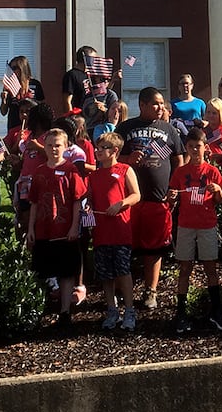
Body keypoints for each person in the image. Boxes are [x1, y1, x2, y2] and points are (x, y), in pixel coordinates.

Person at [115, 86, 184, 311]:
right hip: (130, 200)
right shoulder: (125, 128)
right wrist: (127, 157)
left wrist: (174, 187)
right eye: (155, 103)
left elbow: (179, 160)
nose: (160, 107)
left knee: (154, 249)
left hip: (158, 199)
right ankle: (121, 290)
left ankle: (150, 290)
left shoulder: (169, 129)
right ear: (142, 105)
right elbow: (110, 158)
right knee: (126, 246)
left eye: (162, 103)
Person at [167, 128, 222, 333]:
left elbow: (220, 200)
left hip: (207, 224)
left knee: (210, 268)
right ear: (187, 148)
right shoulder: (180, 172)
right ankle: (181, 312)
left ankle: (217, 310)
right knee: (185, 268)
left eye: (198, 146)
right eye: (191, 146)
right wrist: (172, 196)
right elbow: (171, 198)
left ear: (205, 148)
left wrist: (218, 190)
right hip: (185, 225)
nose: (195, 150)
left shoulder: (212, 171)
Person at [27, 128, 86, 331]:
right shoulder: (39, 171)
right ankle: (38, 311)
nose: (53, 149)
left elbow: (78, 201)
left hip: (64, 229)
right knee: (42, 272)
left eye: (58, 145)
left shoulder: (71, 170)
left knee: (67, 272)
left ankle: (65, 311)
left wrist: (74, 227)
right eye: (50, 145)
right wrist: (31, 229)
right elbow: (33, 202)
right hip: (43, 229)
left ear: (66, 147)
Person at [87, 132, 140, 332]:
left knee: (122, 271)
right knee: (106, 273)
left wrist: (121, 204)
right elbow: (89, 200)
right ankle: (111, 309)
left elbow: (136, 195)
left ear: (114, 151)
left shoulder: (125, 170)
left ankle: (129, 310)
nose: (98, 151)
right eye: (97, 148)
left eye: (103, 148)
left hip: (120, 230)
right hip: (101, 232)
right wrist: (88, 207)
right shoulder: (94, 176)